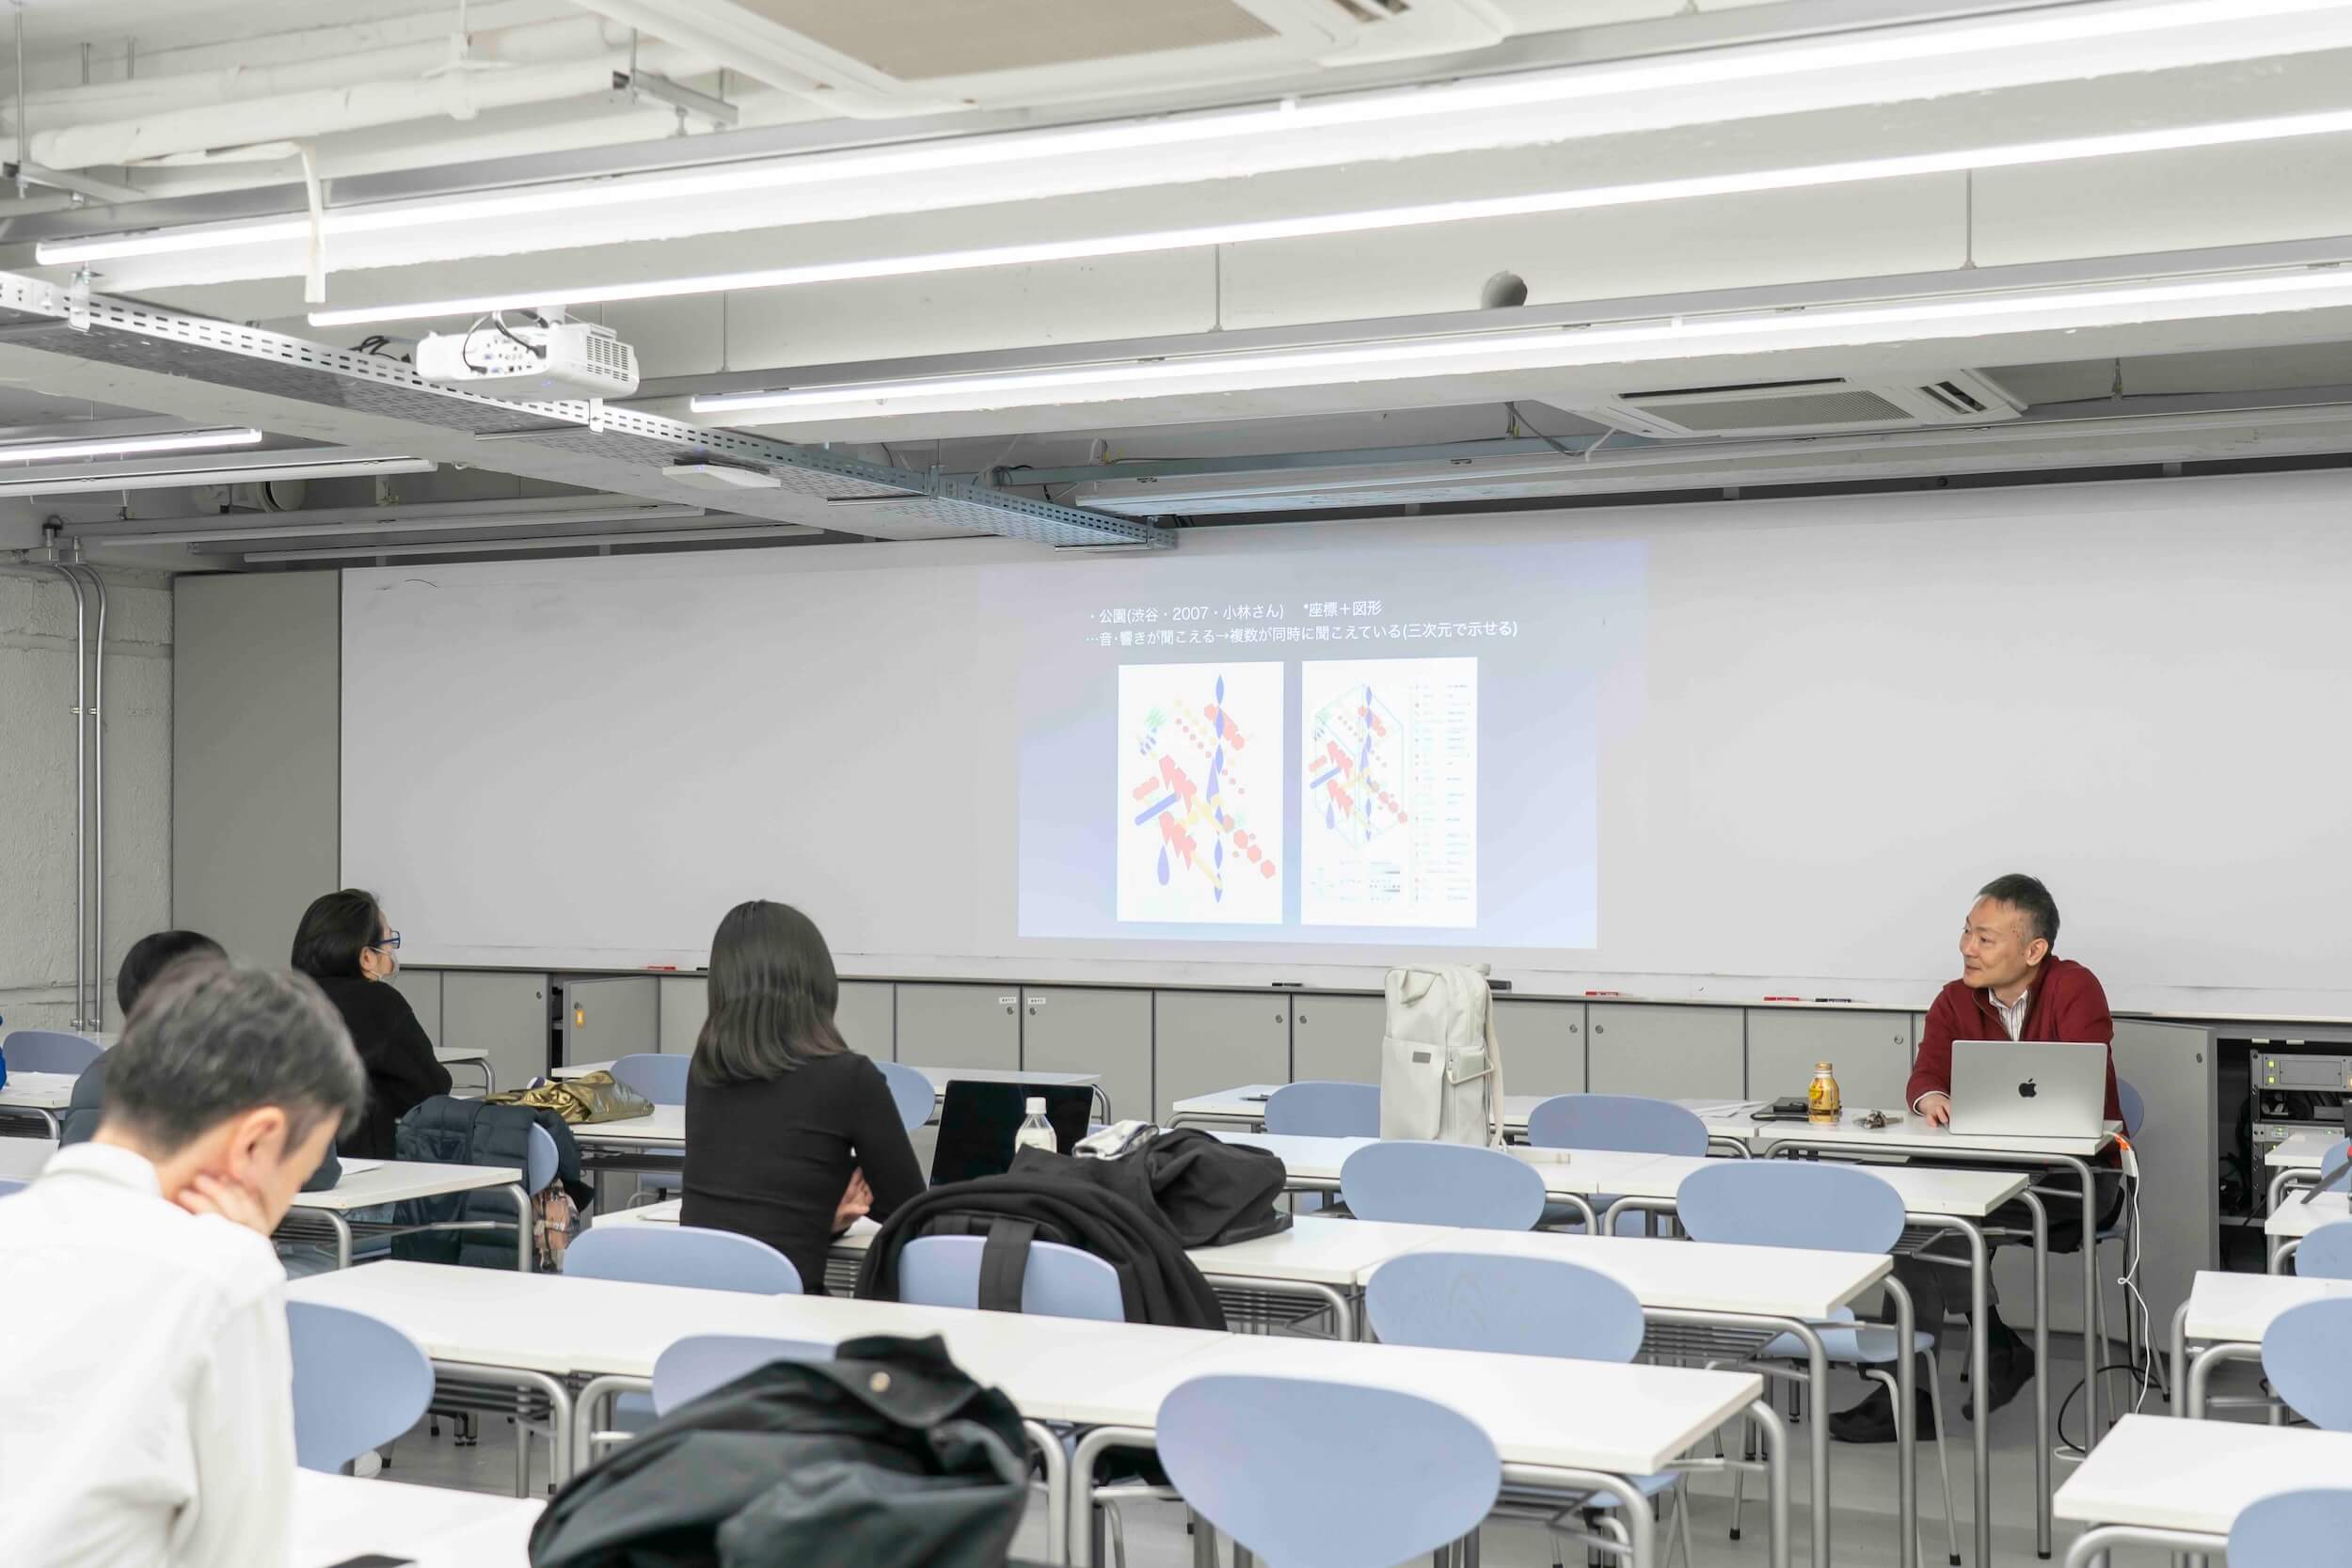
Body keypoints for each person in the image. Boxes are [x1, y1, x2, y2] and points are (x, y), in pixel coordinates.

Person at [0, 958, 366, 1568]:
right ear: (256, 1142)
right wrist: (239, 1252)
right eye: (295, 1177)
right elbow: (242, 1555)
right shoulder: (223, 1273)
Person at [1832, 872, 2127, 1444]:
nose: (1967, 947)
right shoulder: (1953, 998)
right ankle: (1978, 1351)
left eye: (1985, 938)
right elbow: (1925, 1073)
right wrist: (1930, 1096)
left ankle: (1920, 1390)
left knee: (1941, 1222)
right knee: (1914, 1216)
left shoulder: (2074, 987)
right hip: (1984, 1172)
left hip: (2075, 1179)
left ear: (2033, 950)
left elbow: (2082, 1086)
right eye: (1967, 932)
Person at [680, 900, 925, 1293]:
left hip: (698, 1309)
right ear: (815, 979)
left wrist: (818, 1216)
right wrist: (828, 1198)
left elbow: (752, 1208)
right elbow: (908, 1210)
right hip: (791, 1316)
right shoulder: (849, 1078)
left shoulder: (705, 1073)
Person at [290, 888, 450, 1159]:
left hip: (277, 1167)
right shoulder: (378, 1003)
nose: (392, 954)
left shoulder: (279, 999)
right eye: (389, 942)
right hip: (361, 1167)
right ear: (366, 957)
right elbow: (431, 1090)